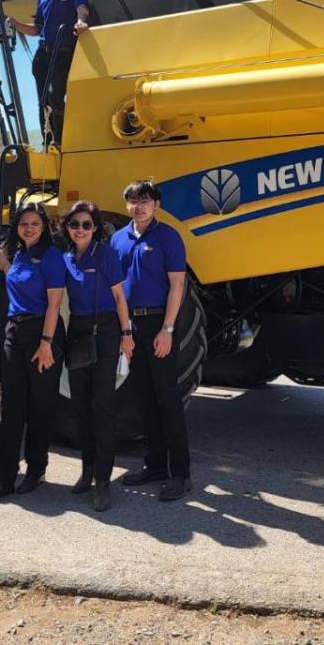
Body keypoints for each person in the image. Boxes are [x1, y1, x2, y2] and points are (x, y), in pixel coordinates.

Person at [110, 180, 192, 501]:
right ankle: (155, 465)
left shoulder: (169, 237)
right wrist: (124, 330)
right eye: (132, 201)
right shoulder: (118, 240)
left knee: (167, 400)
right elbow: (116, 290)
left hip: (159, 324)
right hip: (131, 326)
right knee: (143, 398)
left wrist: (168, 330)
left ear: (156, 204)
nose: (138, 206)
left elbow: (177, 286)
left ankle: (181, 474)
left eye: (145, 200)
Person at [0, 203, 66, 505]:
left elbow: (54, 304)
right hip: (14, 334)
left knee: (40, 406)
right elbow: (14, 282)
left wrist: (46, 343)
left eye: (34, 223)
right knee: (11, 409)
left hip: (43, 334)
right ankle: (2, 479)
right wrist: (4, 260)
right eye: (23, 223)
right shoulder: (18, 255)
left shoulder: (52, 257)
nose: (28, 228)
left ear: (44, 227)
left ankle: (36, 470)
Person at [61, 200, 134, 512]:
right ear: (67, 228)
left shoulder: (106, 254)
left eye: (86, 224)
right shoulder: (65, 259)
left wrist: (126, 334)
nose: (80, 230)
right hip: (77, 332)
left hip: (105, 331)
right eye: (75, 224)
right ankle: (87, 471)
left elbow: (119, 297)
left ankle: (103, 480)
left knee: (102, 406)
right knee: (80, 406)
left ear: (96, 228)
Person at [8, 0, 90, 145]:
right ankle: (47, 141)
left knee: (55, 97)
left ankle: (60, 141)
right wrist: (16, 24)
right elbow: (37, 29)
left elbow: (82, 8)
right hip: (43, 55)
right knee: (43, 100)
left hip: (64, 53)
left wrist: (81, 22)